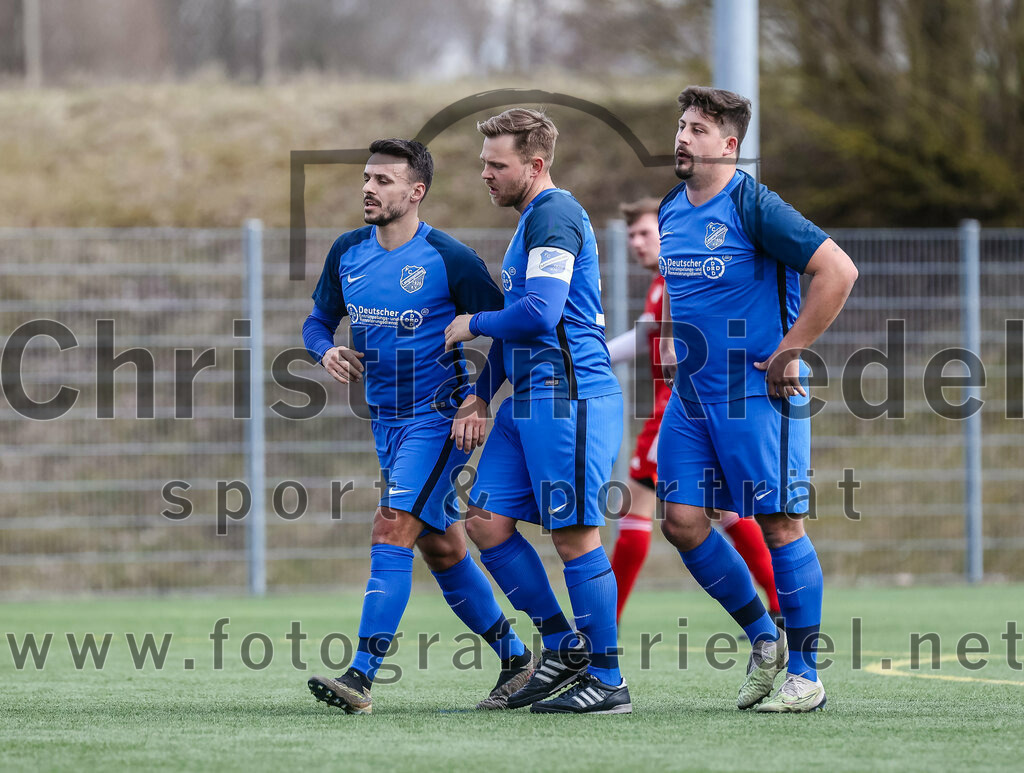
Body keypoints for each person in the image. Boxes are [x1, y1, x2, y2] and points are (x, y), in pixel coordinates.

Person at [302, 138, 535, 714]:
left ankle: (360, 677)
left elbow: (505, 329)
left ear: (416, 192)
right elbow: (316, 321)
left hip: (436, 422)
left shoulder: (450, 258)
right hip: (384, 422)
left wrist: (477, 400)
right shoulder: (347, 251)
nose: (368, 188)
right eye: (366, 178)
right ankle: (516, 659)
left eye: (383, 180)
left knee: (390, 527)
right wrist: (323, 352)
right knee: (442, 547)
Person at [656, 87, 858, 712]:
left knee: (779, 524)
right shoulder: (670, 207)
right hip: (692, 398)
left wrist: (794, 349)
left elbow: (839, 270)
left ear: (730, 146)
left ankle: (805, 677)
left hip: (755, 393)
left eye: (698, 129)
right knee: (682, 523)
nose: (683, 138)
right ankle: (762, 638)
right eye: (682, 126)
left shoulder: (754, 204)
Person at [444, 108, 630, 714]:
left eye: (497, 165)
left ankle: (608, 680)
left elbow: (541, 314)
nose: (486, 175)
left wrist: (472, 320)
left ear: (536, 164)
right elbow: (520, 327)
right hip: (527, 404)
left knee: (575, 536)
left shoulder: (554, 213)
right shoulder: (531, 220)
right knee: (486, 521)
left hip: (569, 399)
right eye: (484, 164)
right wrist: (480, 393)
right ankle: (561, 643)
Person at [607, 198, 781, 626]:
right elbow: (644, 337)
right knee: (725, 513)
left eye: (646, 233)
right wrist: (596, 356)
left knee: (641, 509)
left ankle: (601, 629)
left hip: (678, 408)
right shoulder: (660, 283)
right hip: (688, 407)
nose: (637, 242)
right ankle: (778, 611)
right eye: (631, 235)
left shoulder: (677, 280)